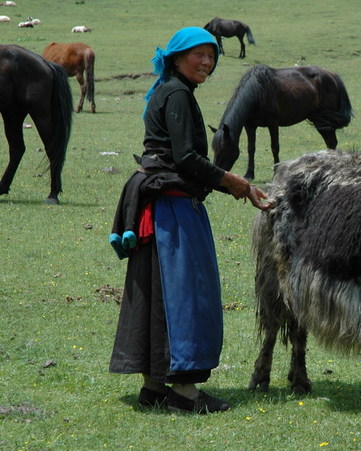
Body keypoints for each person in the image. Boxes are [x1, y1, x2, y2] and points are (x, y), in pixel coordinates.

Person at [109, 27, 270, 414]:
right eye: (198, 54)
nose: (206, 62)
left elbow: (176, 158)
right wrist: (234, 181)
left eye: (212, 57)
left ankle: (153, 387)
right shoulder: (178, 93)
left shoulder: (168, 90)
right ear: (178, 57)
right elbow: (185, 158)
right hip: (173, 210)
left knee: (159, 292)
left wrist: (232, 186)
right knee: (186, 296)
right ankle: (184, 392)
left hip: (160, 205)